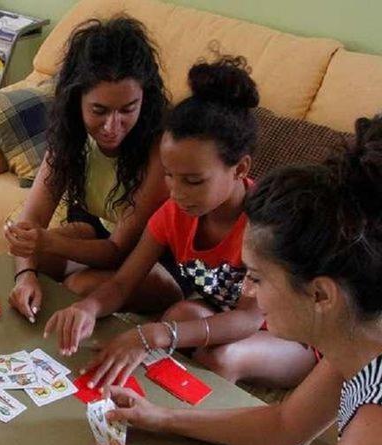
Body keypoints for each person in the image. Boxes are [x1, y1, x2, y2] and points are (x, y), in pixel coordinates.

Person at [96, 114, 382, 445]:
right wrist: (161, 418)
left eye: (258, 277)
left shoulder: (372, 438)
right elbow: (284, 424)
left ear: (321, 295)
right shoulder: (356, 335)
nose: (247, 288)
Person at [46, 57, 316, 390]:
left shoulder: (266, 222)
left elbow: (249, 317)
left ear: (241, 169)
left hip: (286, 332)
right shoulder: (175, 212)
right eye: (170, 177)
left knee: (219, 358)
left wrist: (156, 334)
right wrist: (87, 308)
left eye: (193, 180)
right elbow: (122, 283)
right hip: (219, 312)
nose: (177, 193)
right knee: (179, 316)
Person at [7, 16, 182, 325]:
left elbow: (117, 251)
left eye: (128, 109)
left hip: (156, 261)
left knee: (80, 286)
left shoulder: (160, 149)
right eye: (99, 111)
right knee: (28, 262)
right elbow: (31, 222)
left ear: (146, 98)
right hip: (101, 233)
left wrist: (43, 240)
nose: (112, 127)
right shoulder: (69, 135)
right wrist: (25, 276)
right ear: (77, 101)